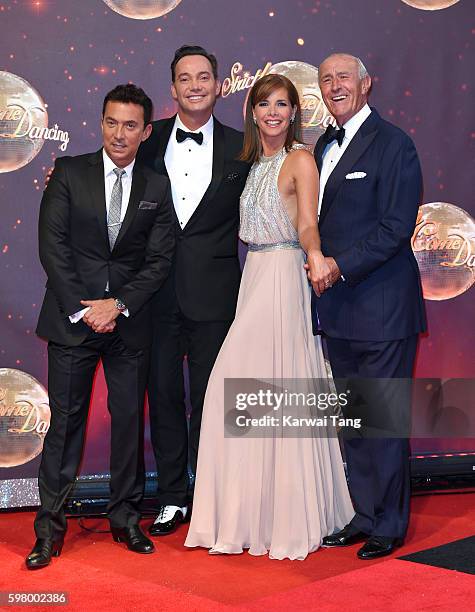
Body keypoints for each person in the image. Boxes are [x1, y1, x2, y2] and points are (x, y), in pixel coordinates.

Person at [184, 74, 354, 560]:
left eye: (283, 104)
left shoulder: (300, 159)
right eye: (265, 104)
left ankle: (281, 518)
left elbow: (306, 220)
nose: (273, 112)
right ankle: (250, 515)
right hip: (253, 278)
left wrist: (316, 255)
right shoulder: (250, 162)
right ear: (253, 112)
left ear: (294, 112)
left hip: (282, 278)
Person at [27, 84, 175, 569]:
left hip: (129, 324)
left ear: (145, 131)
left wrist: (119, 305)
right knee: (65, 424)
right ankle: (48, 529)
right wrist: (86, 308)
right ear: (101, 123)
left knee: (129, 423)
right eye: (112, 122)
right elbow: (53, 246)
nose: (119, 133)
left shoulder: (157, 184)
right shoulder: (70, 172)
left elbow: (159, 259)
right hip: (73, 322)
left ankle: (126, 520)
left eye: (130, 125)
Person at [314, 53, 426, 559]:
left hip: (382, 309)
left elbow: (396, 227)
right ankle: (364, 514)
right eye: (326, 79)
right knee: (354, 422)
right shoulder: (321, 144)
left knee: (381, 421)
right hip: (337, 312)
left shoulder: (395, 143)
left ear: (366, 85)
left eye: (343, 77)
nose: (334, 85)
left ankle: (390, 523)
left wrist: (338, 265)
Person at [137, 45, 250, 536]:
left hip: (215, 292)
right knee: (162, 396)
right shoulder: (146, 138)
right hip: (154, 293)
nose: (196, 85)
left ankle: (209, 493)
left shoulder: (241, 145)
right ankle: (171, 497)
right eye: (186, 78)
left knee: (210, 398)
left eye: (205, 76)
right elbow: (106, 173)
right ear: (173, 88)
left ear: (219, 85)